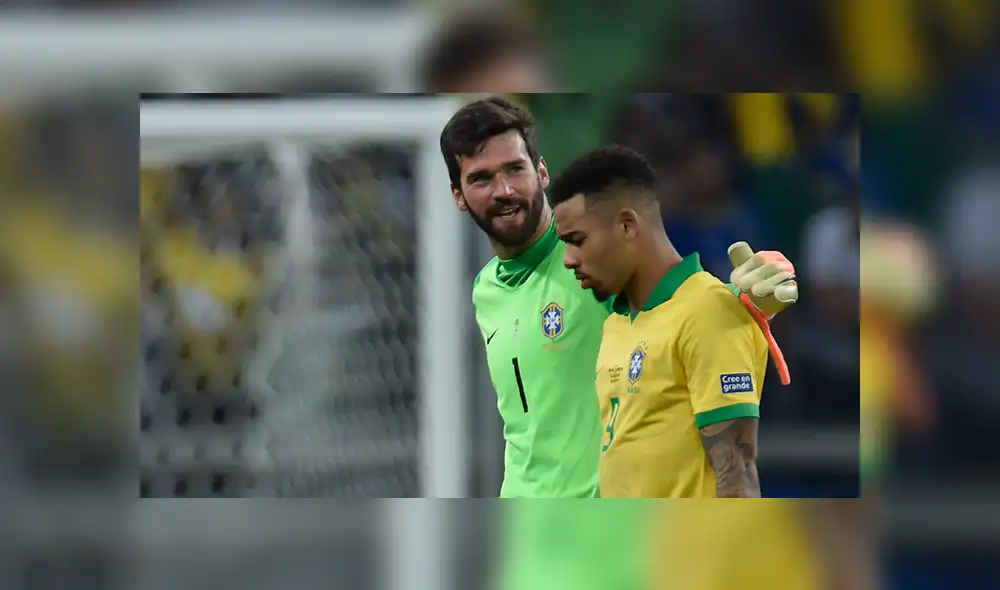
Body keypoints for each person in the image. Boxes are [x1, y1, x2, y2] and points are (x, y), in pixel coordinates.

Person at [440, 97, 798, 498]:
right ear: (458, 195)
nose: (503, 190)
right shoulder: (486, 288)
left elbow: (676, 301)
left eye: (514, 169)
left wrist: (745, 299)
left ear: (541, 172)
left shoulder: (591, 251)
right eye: (482, 179)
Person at [548, 144, 797, 498]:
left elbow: (737, 473)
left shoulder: (708, 311)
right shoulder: (616, 322)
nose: (569, 259)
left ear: (627, 225)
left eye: (577, 240)